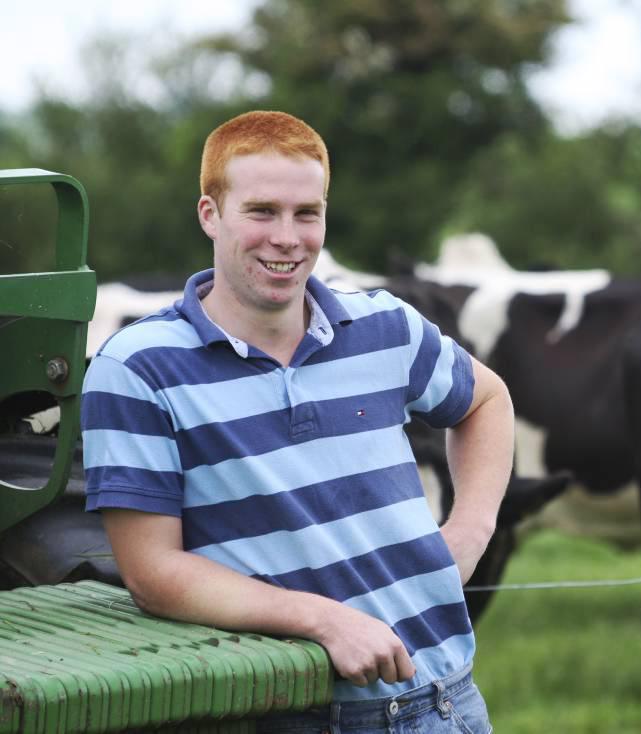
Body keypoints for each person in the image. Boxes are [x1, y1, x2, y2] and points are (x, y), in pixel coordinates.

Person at [81, 110, 513, 733]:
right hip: (295, 712)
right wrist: (324, 619)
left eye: (307, 213)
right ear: (210, 214)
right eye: (261, 211)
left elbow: (487, 401)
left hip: (451, 701)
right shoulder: (138, 367)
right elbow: (153, 574)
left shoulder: (385, 325)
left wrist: (470, 533)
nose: (287, 237)